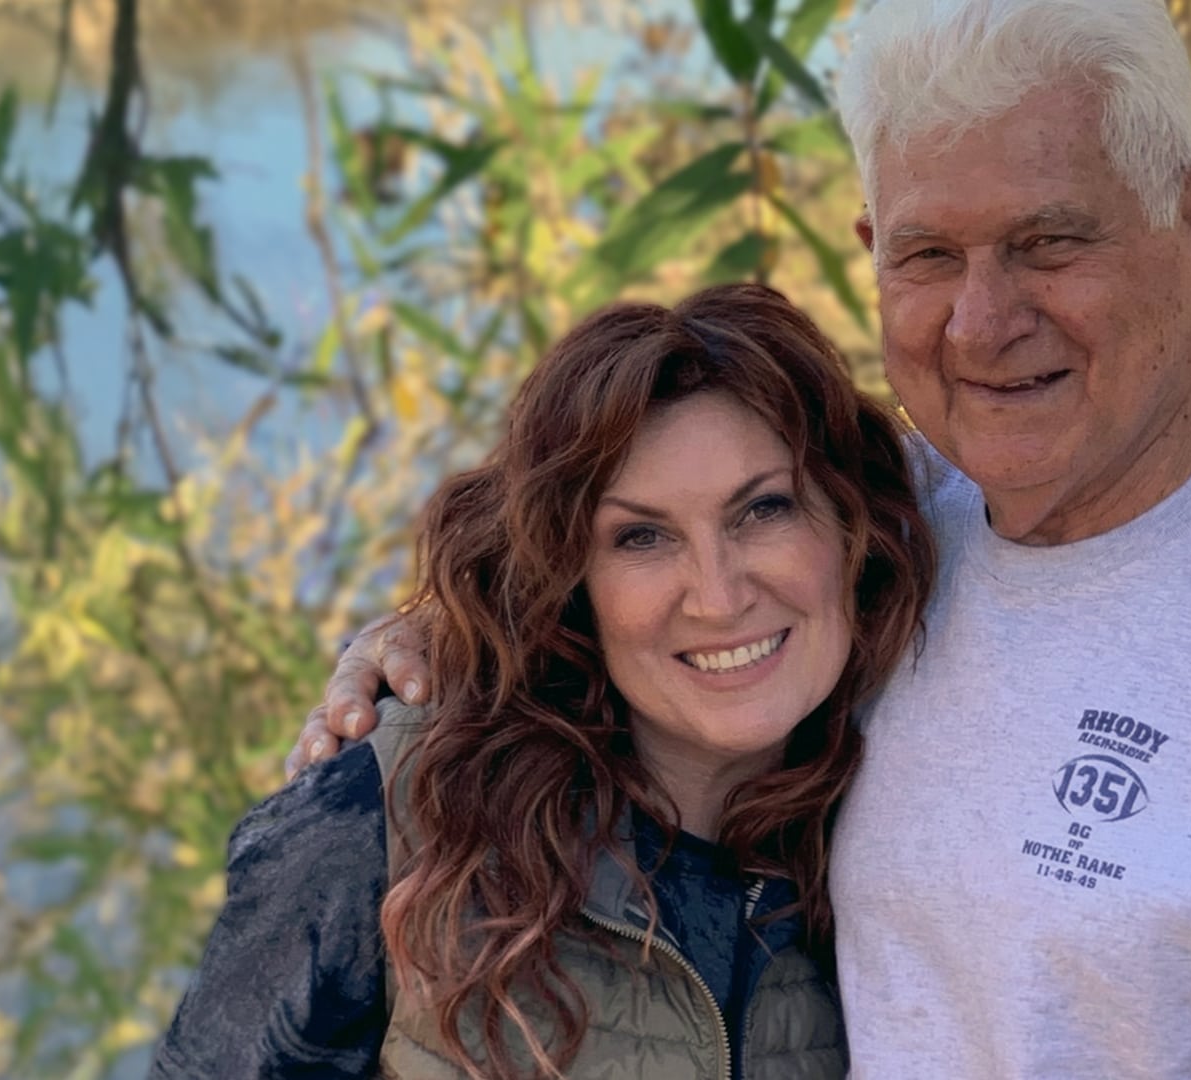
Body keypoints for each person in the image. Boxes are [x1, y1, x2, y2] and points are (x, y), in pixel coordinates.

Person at [293, 0, 1191, 1076]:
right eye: (928, 256)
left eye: (1049, 243)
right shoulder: (892, 530)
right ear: (868, 251)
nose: (982, 322)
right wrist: (436, 640)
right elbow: (631, 567)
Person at [152, 284, 933, 1078]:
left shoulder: (886, 829)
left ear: (853, 527)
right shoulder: (396, 819)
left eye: (764, 510)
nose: (719, 595)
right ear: (568, 578)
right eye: (641, 537)